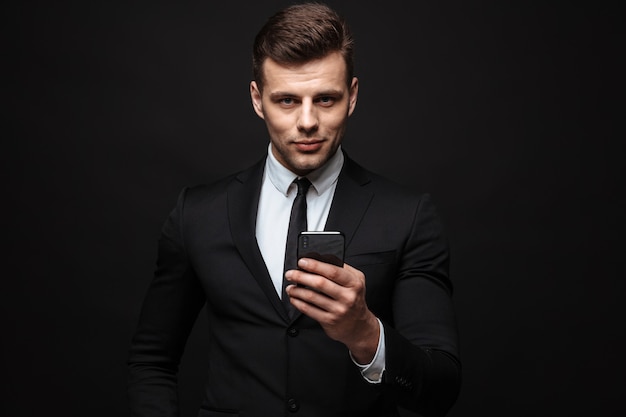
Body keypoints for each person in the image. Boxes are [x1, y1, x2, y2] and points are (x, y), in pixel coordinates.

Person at [127, 3, 461, 416]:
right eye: (286, 100)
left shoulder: (407, 216)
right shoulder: (198, 213)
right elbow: (151, 361)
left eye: (325, 99)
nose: (307, 121)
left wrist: (365, 333)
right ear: (257, 99)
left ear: (352, 97)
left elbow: (441, 387)